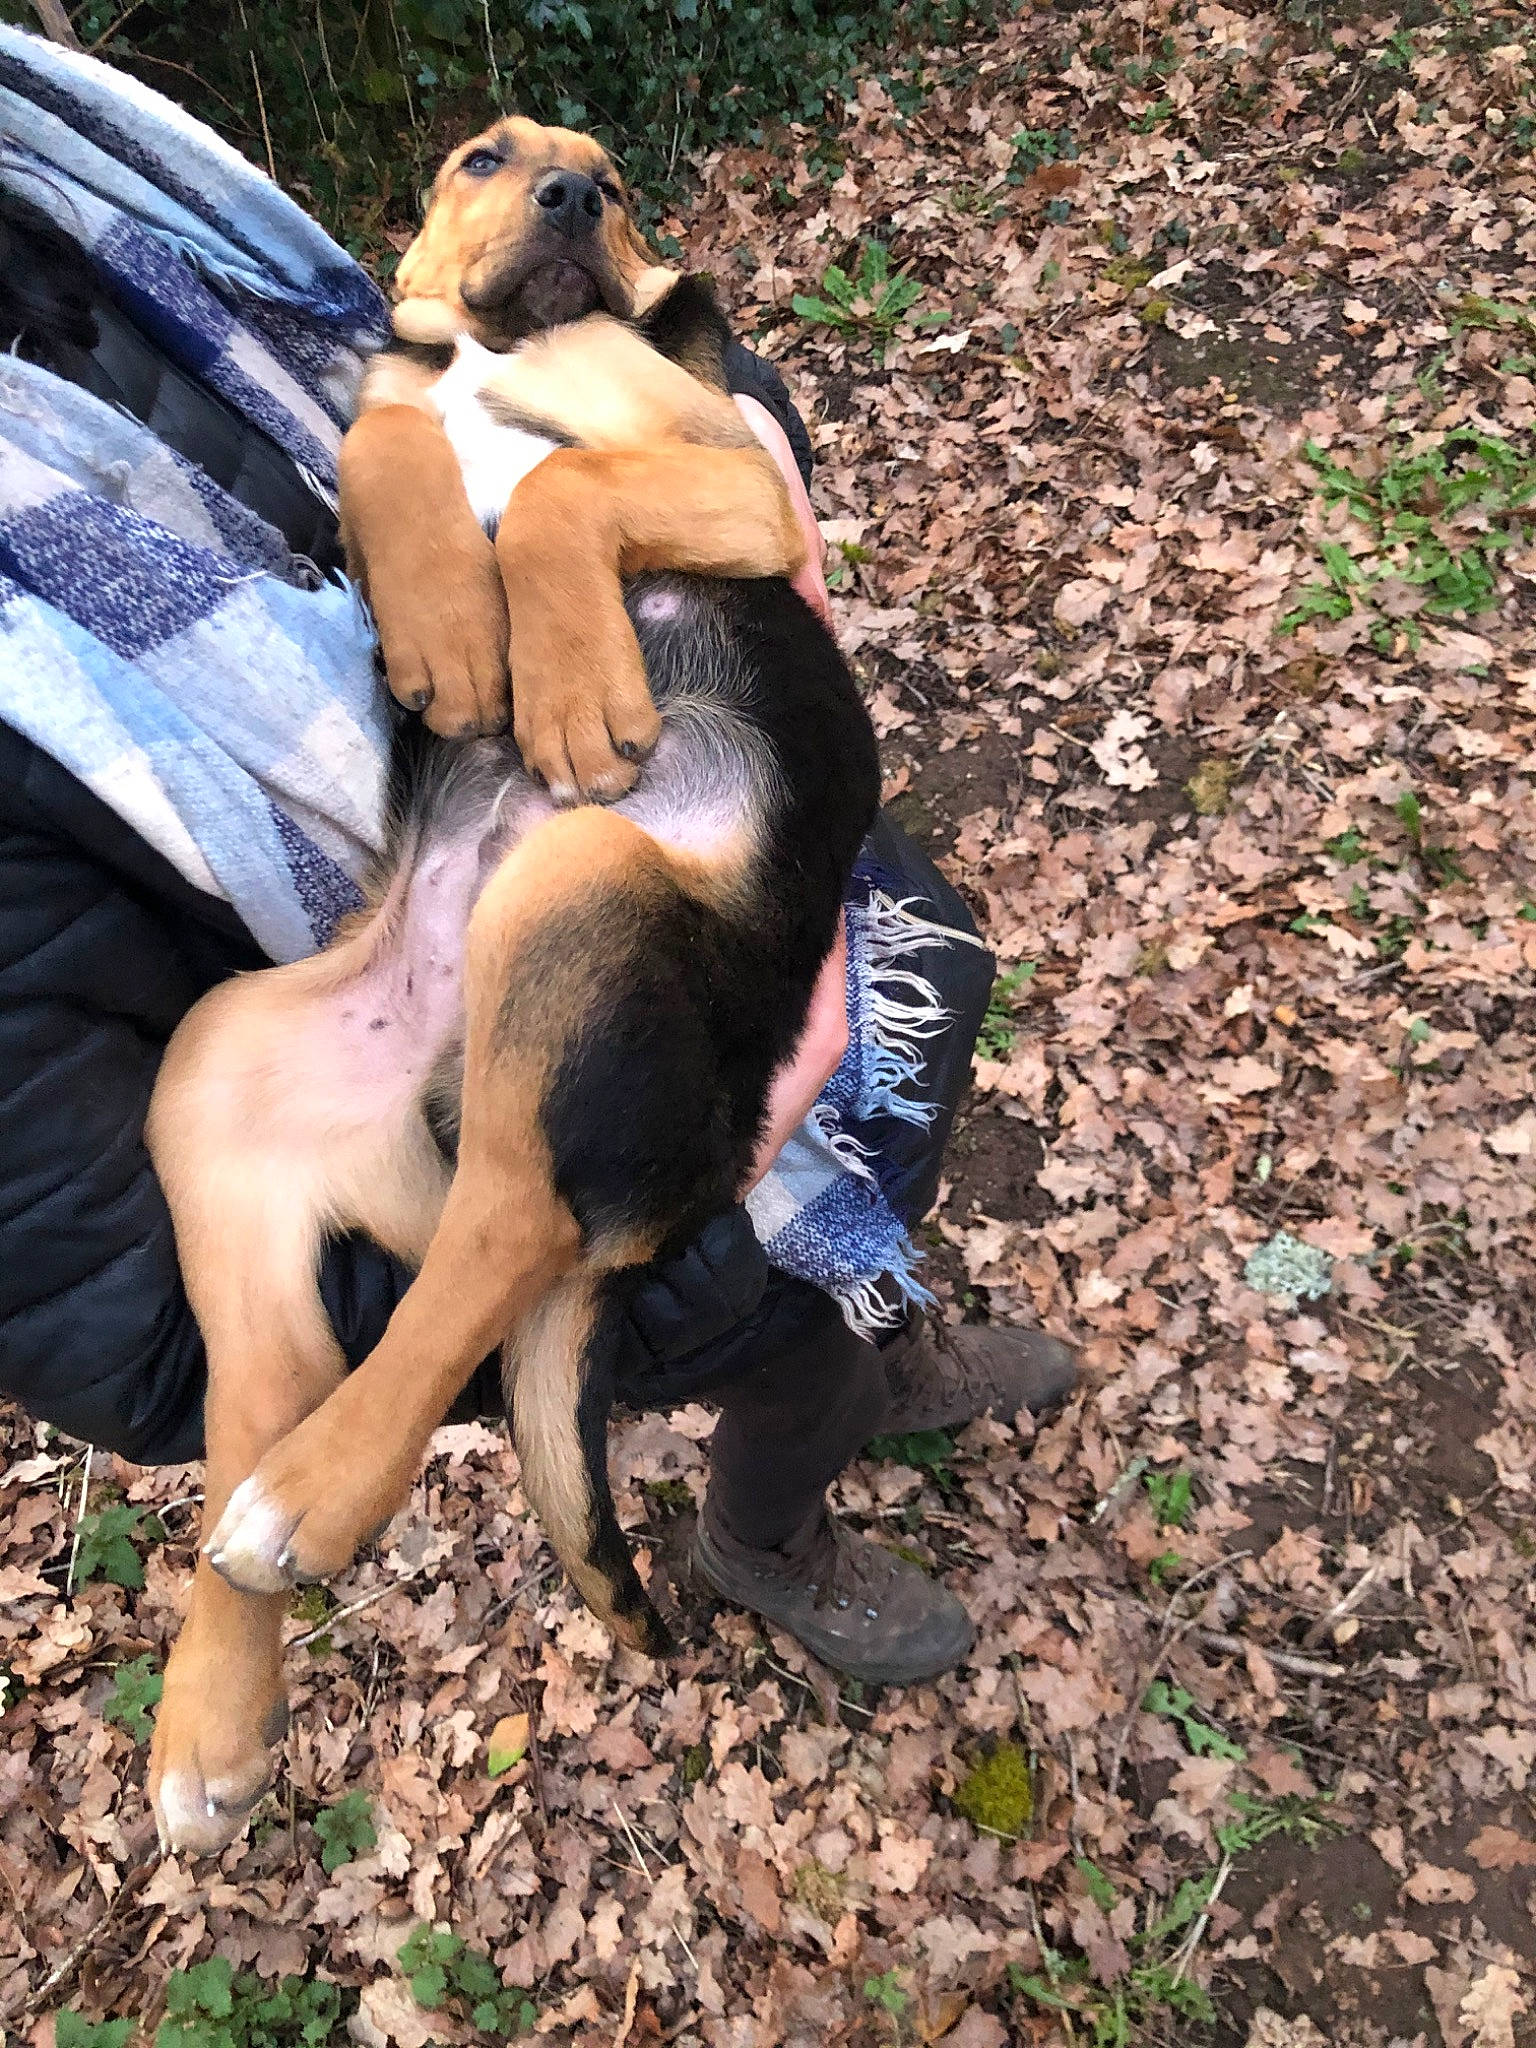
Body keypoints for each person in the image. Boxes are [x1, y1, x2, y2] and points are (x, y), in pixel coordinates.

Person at [0, 40, 1076, 1689]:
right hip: (536, 1038)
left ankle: (853, 1392)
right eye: (490, 166)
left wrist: (623, 487)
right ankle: (281, 1585)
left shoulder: (136, 191)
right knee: (223, 1094)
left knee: (860, 1214)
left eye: (591, 184)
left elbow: (719, 454)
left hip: (750, 863)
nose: (554, 189)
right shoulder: (392, 412)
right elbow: (96, 1297)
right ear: (428, 250)